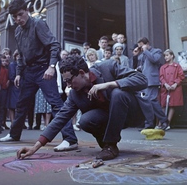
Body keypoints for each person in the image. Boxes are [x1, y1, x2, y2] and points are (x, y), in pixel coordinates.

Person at [16, 55, 148, 161]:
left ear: (81, 73)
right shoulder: (75, 94)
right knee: (85, 120)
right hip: (108, 117)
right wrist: (35, 147)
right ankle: (109, 146)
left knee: (117, 93)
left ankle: (110, 144)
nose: (68, 86)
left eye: (69, 81)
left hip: (131, 113)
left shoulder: (108, 67)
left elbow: (142, 79)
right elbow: (60, 118)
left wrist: (109, 85)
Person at [0, 0, 78, 152]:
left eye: (20, 15)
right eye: (15, 17)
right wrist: (19, 74)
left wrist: (51, 66)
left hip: (43, 69)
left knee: (56, 103)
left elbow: (54, 44)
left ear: (27, 11)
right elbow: (21, 54)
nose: (18, 19)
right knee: (21, 104)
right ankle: (14, 135)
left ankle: (70, 139)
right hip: (28, 71)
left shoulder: (38, 24)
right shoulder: (17, 31)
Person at [137, 37, 169, 130]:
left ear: (147, 44)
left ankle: (163, 121)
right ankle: (149, 124)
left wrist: (146, 50)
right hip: (144, 80)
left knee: (151, 100)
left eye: (141, 45)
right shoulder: (143, 53)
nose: (141, 48)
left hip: (152, 80)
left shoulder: (157, 51)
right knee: (147, 102)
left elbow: (154, 60)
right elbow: (143, 64)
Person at [159, 49, 185, 130]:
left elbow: (181, 76)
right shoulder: (163, 67)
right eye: (164, 56)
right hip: (165, 88)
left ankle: (167, 123)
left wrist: (175, 84)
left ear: (172, 56)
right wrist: (165, 84)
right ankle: (161, 122)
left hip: (174, 88)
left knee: (172, 105)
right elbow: (161, 77)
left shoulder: (177, 66)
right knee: (163, 105)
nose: (165, 57)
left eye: (167, 55)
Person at [0, 54, 10, 130]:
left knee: (3, 107)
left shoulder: (6, 70)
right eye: (2, 61)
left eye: (5, 61)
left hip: (4, 89)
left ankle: (2, 122)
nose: (4, 62)